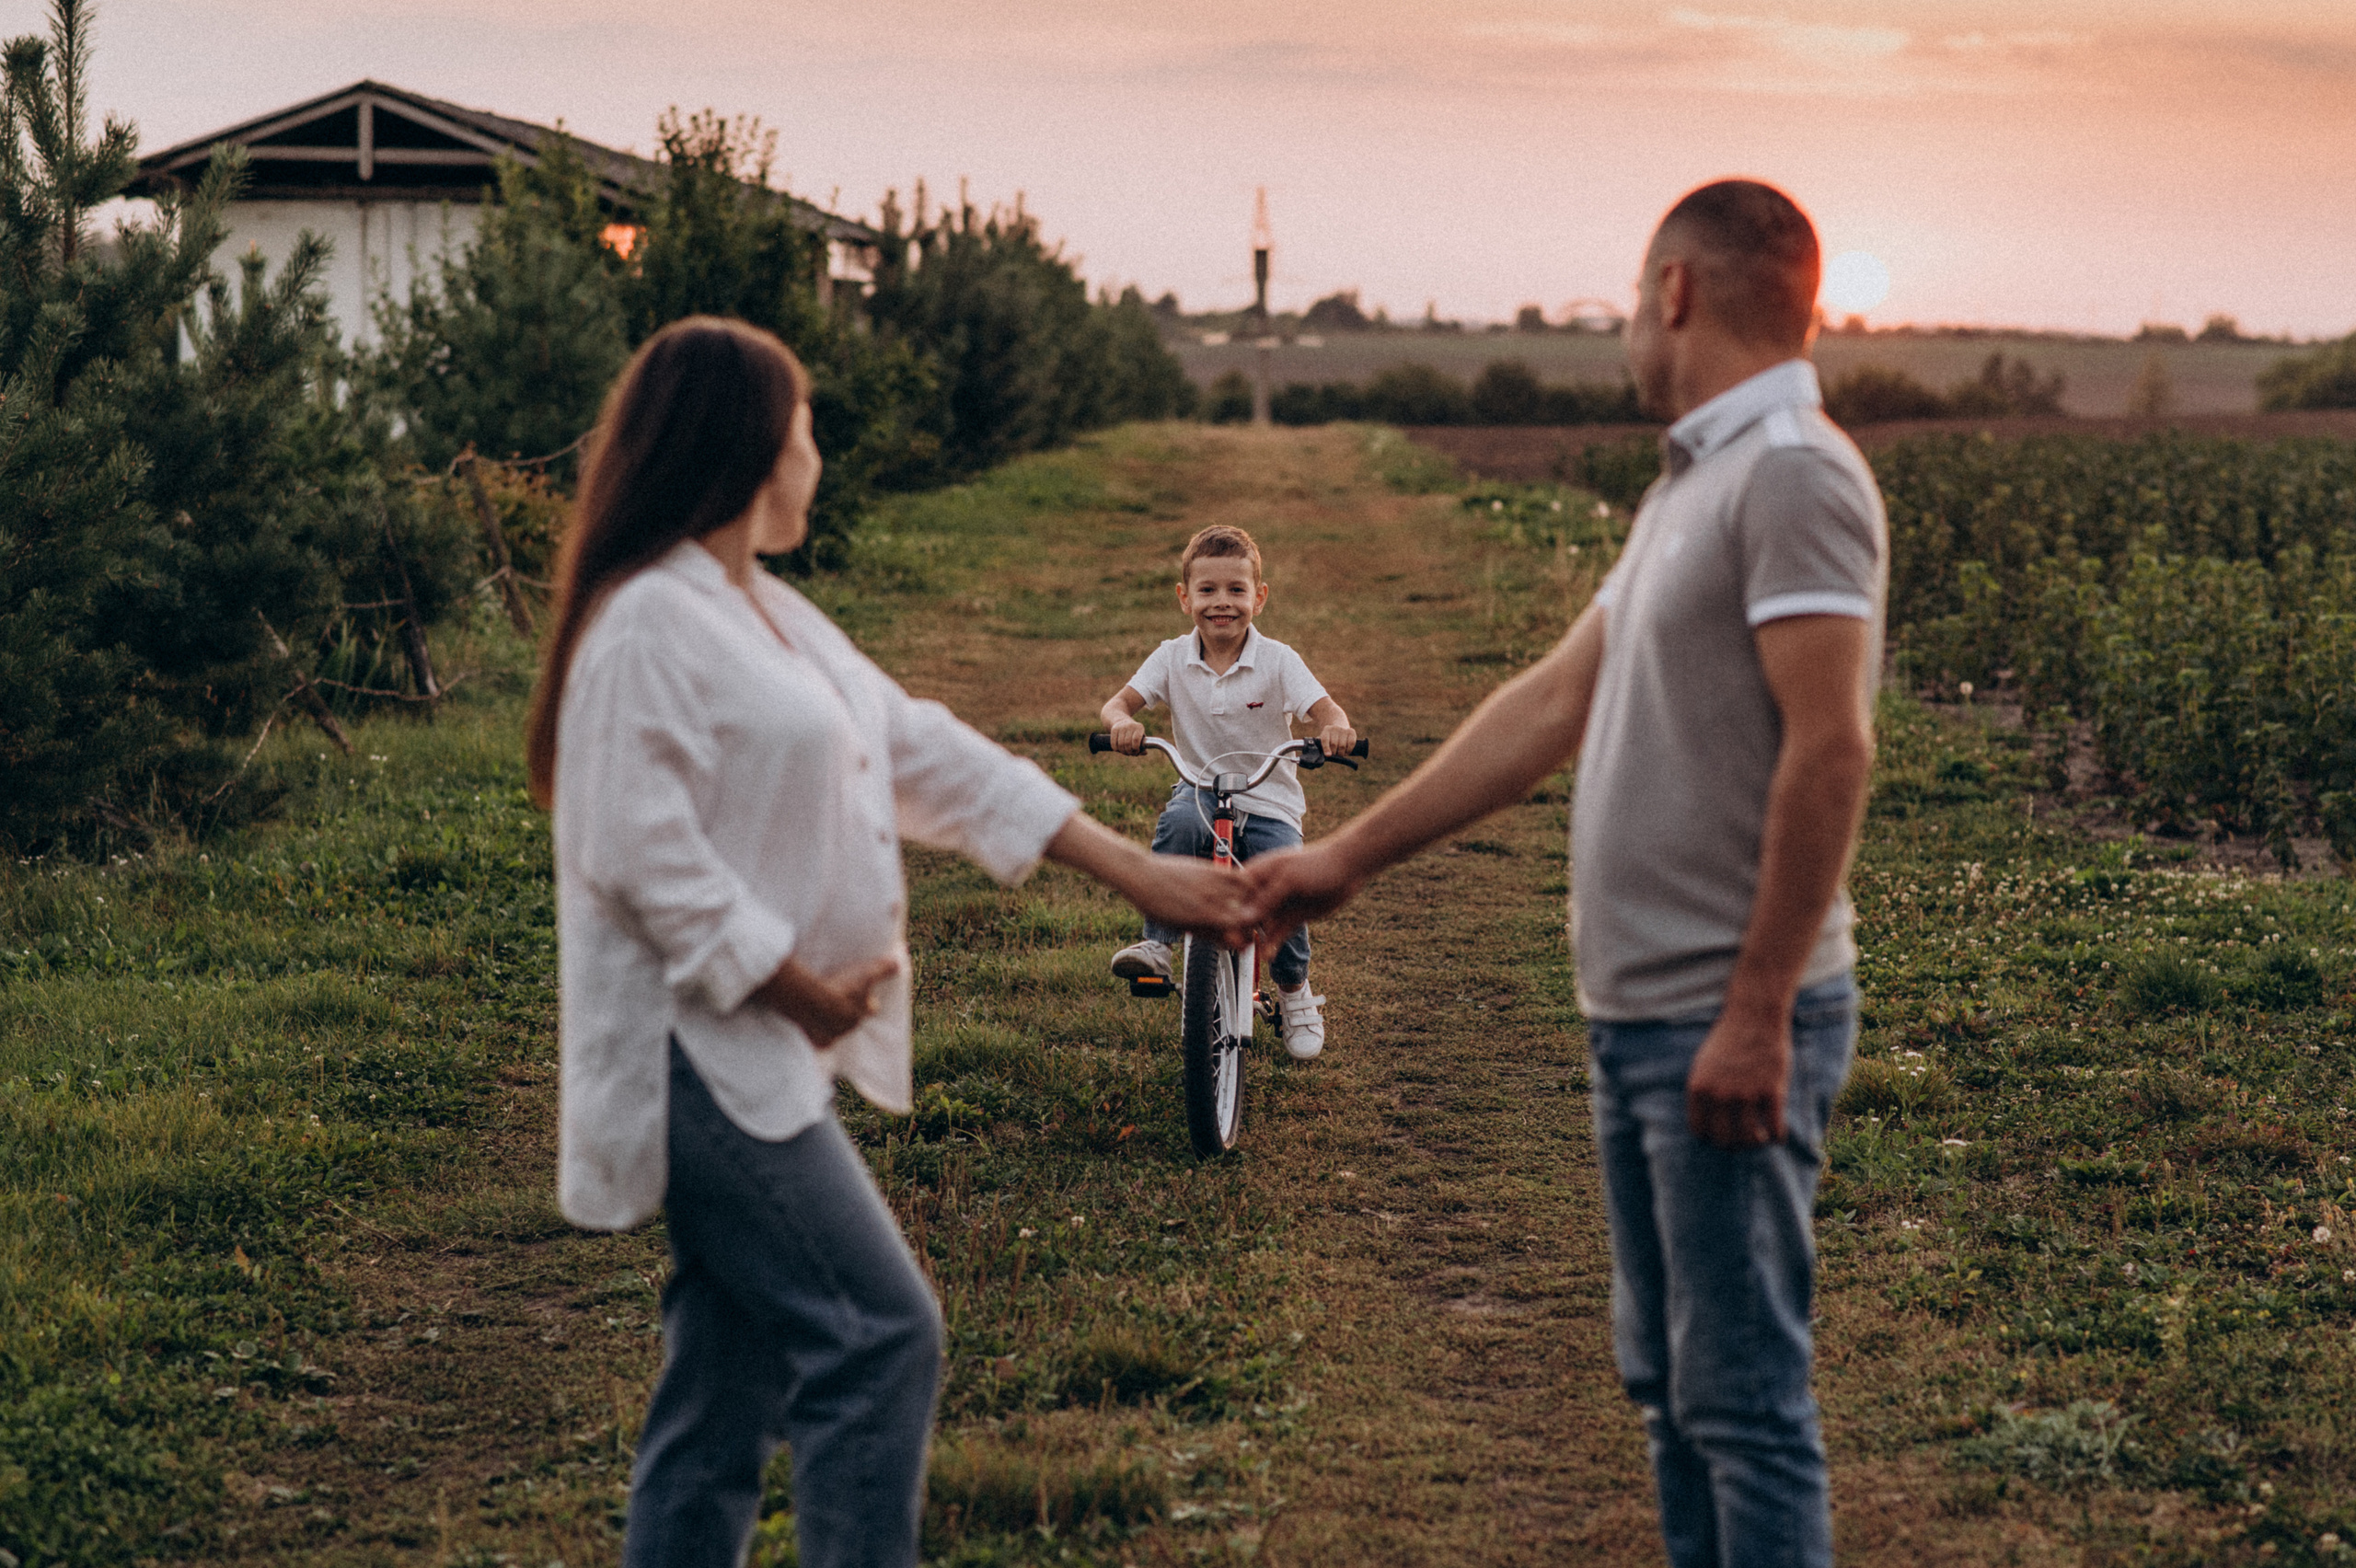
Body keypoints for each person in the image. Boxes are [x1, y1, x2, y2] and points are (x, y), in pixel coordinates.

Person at [525, 317, 1246, 1568]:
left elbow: (919, 748)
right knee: (880, 1334)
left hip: (750, 1052)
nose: (817, 459)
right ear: (752, 448)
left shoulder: (765, 612)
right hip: (699, 1059)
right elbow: (634, 851)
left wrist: (1142, 874)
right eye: (806, 433)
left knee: (723, 1396)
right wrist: (795, 987)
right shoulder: (648, 623)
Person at [1241, 180, 1885, 1567]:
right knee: (1669, 1391)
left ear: (1675, 292)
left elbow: (1832, 750)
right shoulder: (1699, 483)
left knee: (1744, 1404)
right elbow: (1551, 702)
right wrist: (1344, 855)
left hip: (1723, 1015)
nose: (1626, 339)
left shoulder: (1794, 471)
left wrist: (1761, 1008)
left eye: (1628, 303)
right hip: (1645, 1016)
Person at [1100, 525, 1357, 1058]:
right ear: (1184, 598)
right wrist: (1121, 722)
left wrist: (1334, 727)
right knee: (1177, 828)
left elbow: (1325, 709)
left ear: (1258, 598)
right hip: (1199, 790)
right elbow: (1117, 705)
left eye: (1237, 590)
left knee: (1285, 884)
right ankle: (1158, 943)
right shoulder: (1171, 657)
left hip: (1268, 799)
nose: (1222, 603)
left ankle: (1293, 991)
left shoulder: (1280, 660)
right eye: (1208, 590)